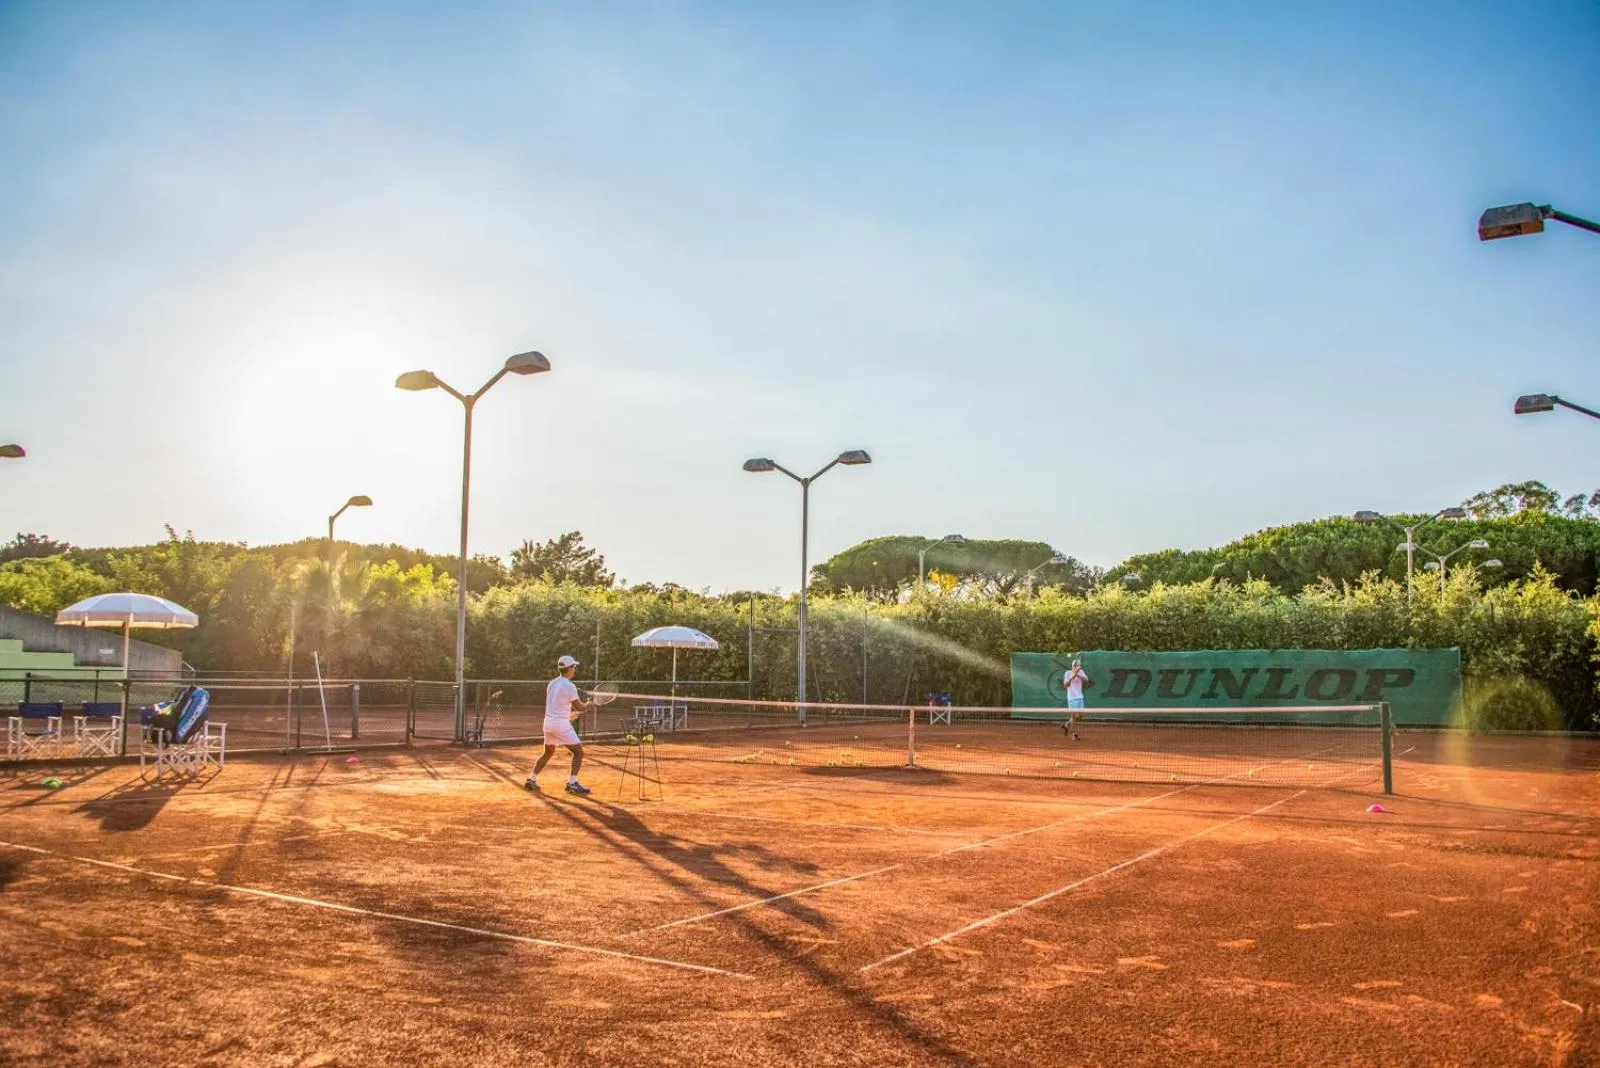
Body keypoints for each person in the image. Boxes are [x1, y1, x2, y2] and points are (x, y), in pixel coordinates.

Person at [525, 654, 591, 795]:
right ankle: (572, 783)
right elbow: (580, 707)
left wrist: (570, 715)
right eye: (574, 667)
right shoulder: (570, 686)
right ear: (569, 669)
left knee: (548, 752)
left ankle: (531, 779)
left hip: (548, 723)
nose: (575, 670)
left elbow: (557, 704)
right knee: (578, 752)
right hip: (560, 724)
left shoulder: (552, 683)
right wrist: (589, 705)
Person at [1061, 658, 1089, 741]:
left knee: (1081, 715)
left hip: (1080, 697)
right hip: (1071, 699)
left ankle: (1067, 725)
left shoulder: (1081, 672)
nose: (1077, 667)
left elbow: (1086, 680)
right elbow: (1066, 685)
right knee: (1073, 717)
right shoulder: (1067, 673)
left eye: (1078, 666)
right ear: (1073, 666)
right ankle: (1074, 734)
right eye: (1076, 666)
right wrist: (1073, 676)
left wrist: (1078, 674)